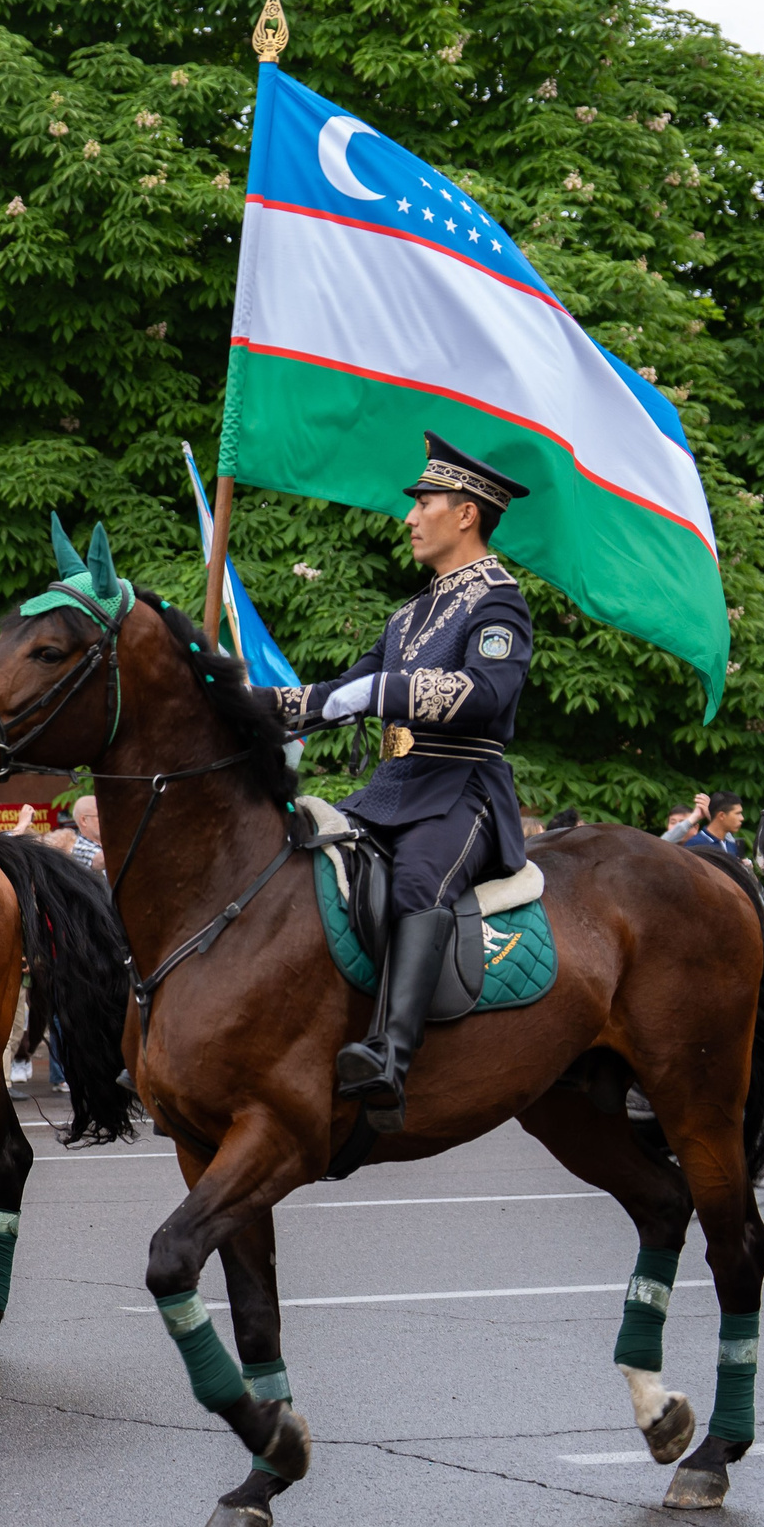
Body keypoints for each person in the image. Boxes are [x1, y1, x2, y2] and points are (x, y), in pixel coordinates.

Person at [250, 433, 533, 1133]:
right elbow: (339, 693)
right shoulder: (408, 615)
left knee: (416, 885)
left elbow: (488, 692)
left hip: (461, 789)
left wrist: (388, 689)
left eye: (424, 502)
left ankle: (389, 1058)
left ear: (465, 513)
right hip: (390, 789)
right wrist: (242, 702)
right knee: (303, 868)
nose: (409, 517)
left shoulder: (498, 601)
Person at [670, 792, 747, 858]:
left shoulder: (731, 845)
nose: (742, 818)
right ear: (722, 816)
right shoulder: (696, 846)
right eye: (738, 813)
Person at [68, 795, 104, 873]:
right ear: (84, 820)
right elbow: (100, 861)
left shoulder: (108, 843)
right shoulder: (78, 848)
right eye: (100, 815)